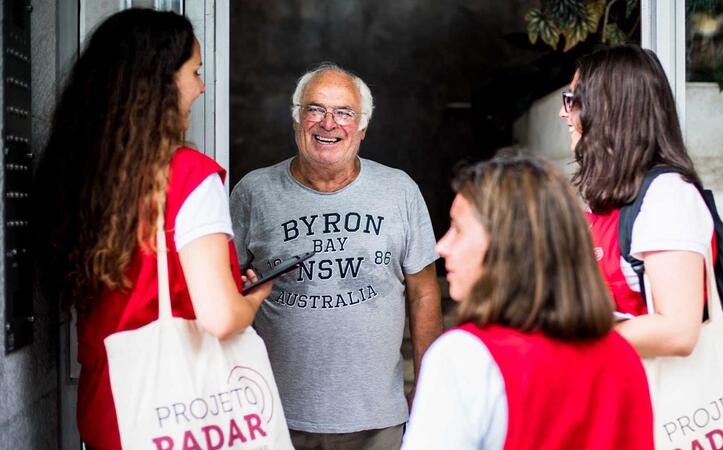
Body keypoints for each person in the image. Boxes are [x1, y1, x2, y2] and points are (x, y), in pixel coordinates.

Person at [33, 9, 272, 450]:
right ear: (160, 81)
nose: (202, 87)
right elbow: (220, 319)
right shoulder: (187, 175)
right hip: (178, 417)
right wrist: (252, 298)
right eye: (195, 71)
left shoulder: (75, 175)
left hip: (109, 409)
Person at [229, 63, 442, 450]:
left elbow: (424, 293)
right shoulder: (253, 193)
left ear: (362, 128)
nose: (329, 124)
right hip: (274, 416)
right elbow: (223, 291)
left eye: (344, 112)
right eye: (315, 109)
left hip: (378, 422)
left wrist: (428, 392)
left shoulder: (400, 191)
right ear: (296, 121)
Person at [401, 152, 654, 450]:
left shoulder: (462, 357)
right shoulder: (622, 356)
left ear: (507, 244)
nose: (441, 246)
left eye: (458, 229)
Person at [559, 45, 714, 358]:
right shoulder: (615, 196)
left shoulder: (667, 196)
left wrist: (581, 337)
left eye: (573, 101)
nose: (563, 112)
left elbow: (679, 330)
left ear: (608, 108)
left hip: (668, 399)